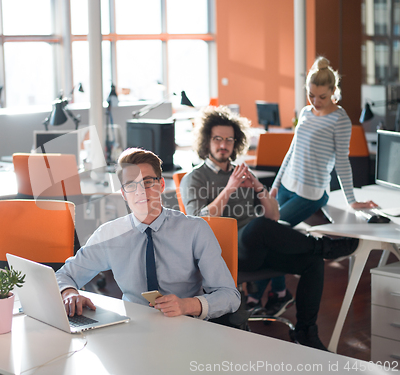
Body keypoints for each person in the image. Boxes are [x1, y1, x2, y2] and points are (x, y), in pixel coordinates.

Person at [180, 105, 360, 350]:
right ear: (206, 141)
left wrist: (259, 188)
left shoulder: (241, 172)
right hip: (222, 256)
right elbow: (198, 220)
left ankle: (306, 331)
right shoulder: (195, 178)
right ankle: (324, 245)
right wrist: (230, 188)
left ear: (236, 142)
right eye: (218, 139)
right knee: (257, 228)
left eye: (229, 139)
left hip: (255, 249)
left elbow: (273, 217)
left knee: (310, 261)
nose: (224, 144)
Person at [56, 148, 241, 322]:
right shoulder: (109, 234)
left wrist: (187, 305)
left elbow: (229, 295)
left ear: (161, 184)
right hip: (132, 326)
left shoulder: (195, 230)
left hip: (184, 323)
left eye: (147, 182)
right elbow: (65, 275)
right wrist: (69, 292)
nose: (140, 191)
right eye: (131, 185)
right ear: (123, 193)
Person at [270, 56, 377, 227]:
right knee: (263, 225)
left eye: (322, 97)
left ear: (333, 90)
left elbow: (342, 162)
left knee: (272, 227)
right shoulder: (305, 112)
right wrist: (275, 185)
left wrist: (352, 200)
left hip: (311, 193)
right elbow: (292, 151)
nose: (316, 102)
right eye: (311, 95)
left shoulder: (340, 119)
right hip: (286, 185)